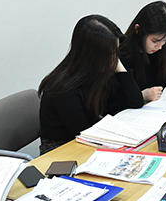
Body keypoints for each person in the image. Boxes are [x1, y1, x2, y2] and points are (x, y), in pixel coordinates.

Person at [38, 14, 144, 154]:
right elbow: (84, 134)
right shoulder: (64, 88)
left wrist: (120, 68)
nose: (115, 59)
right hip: (60, 150)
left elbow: (136, 102)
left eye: (116, 52)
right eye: (110, 54)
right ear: (91, 55)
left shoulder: (100, 71)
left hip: (90, 140)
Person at [119, 1, 166, 102]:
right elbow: (117, 99)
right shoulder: (123, 54)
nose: (159, 46)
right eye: (155, 41)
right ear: (138, 30)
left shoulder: (161, 49)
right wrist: (142, 96)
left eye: (164, 41)